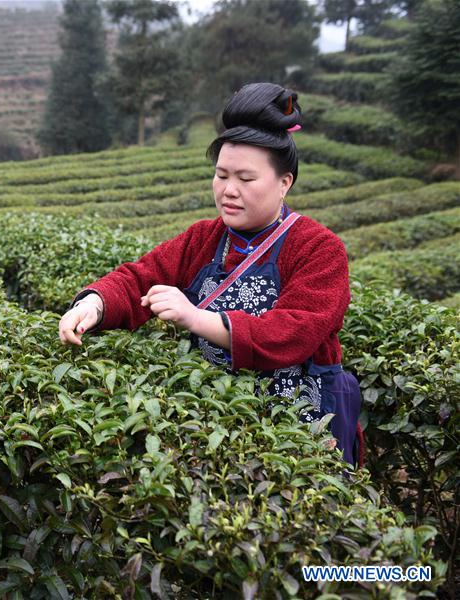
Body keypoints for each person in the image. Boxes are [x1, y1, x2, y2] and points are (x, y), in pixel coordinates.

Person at [58, 82, 362, 465]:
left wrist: (196, 317)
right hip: (220, 424)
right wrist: (95, 304)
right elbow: (140, 277)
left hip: (298, 430)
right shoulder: (204, 237)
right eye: (221, 175)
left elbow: (293, 332)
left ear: (284, 183)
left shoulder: (318, 248)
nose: (228, 190)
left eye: (246, 179)